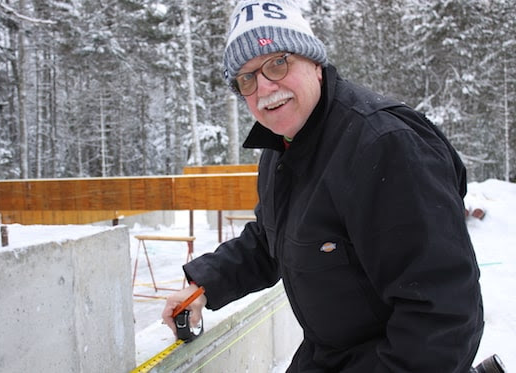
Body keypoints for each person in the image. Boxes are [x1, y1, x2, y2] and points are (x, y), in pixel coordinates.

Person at [162, 0, 484, 371]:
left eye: (277, 63)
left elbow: (442, 316)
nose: (264, 87)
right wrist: (202, 286)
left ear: (314, 62)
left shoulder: (383, 146)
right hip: (327, 355)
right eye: (247, 78)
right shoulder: (282, 146)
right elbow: (271, 240)